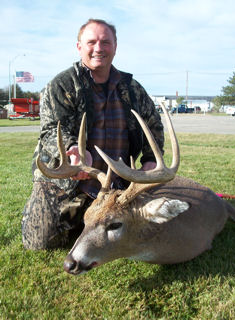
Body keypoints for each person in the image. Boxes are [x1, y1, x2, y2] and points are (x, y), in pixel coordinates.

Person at [22, 18, 165, 250]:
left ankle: (92, 218)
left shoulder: (132, 89)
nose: (99, 48)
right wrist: (72, 151)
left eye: (105, 42)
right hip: (70, 181)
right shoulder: (62, 85)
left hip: (116, 186)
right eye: (91, 42)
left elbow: (153, 125)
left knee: (155, 229)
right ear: (79, 47)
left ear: (115, 47)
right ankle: (78, 215)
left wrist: (149, 160)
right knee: (40, 242)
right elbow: (50, 130)